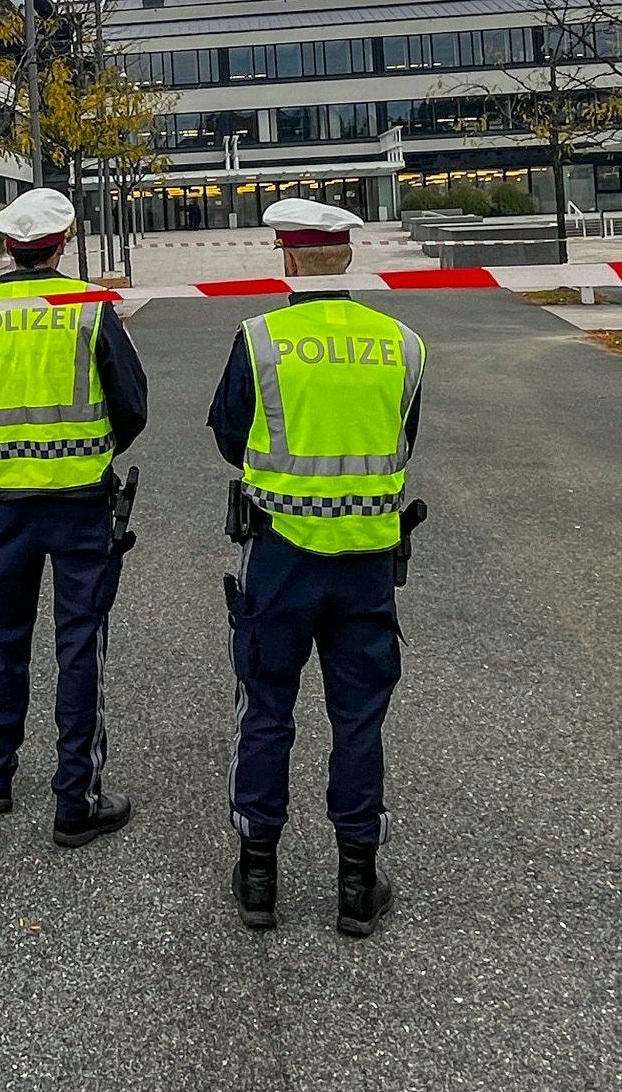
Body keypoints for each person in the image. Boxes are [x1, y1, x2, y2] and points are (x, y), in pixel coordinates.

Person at [207, 197, 426, 937]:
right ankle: (357, 882)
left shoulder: (260, 339)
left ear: (291, 260)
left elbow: (229, 436)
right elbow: (404, 438)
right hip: (367, 560)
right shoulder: (402, 343)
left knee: (266, 709)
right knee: (358, 717)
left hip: (279, 555)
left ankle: (258, 876)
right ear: (347, 258)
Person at [0, 188, 148, 848]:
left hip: (5, 508)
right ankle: (76, 799)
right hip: (81, 504)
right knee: (79, 645)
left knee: (3, 637)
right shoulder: (89, 307)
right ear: (62, 243)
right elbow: (132, 404)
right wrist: (89, 451)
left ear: (7, 246)